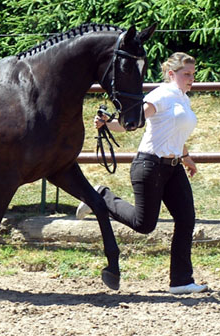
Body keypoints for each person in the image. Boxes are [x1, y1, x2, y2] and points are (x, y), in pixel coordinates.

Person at [76, 52, 208, 294]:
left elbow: (174, 133)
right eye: (186, 74)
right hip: (150, 166)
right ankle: (102, 195)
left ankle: (181, 281)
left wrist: (186, 158)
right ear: (171, 74)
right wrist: (109, 123)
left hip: (173, 167)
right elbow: (133, 121)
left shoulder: (182, 99)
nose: (192, 78)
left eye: (193, 74)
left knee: (186, 219)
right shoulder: (161, 95)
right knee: (144, 224)